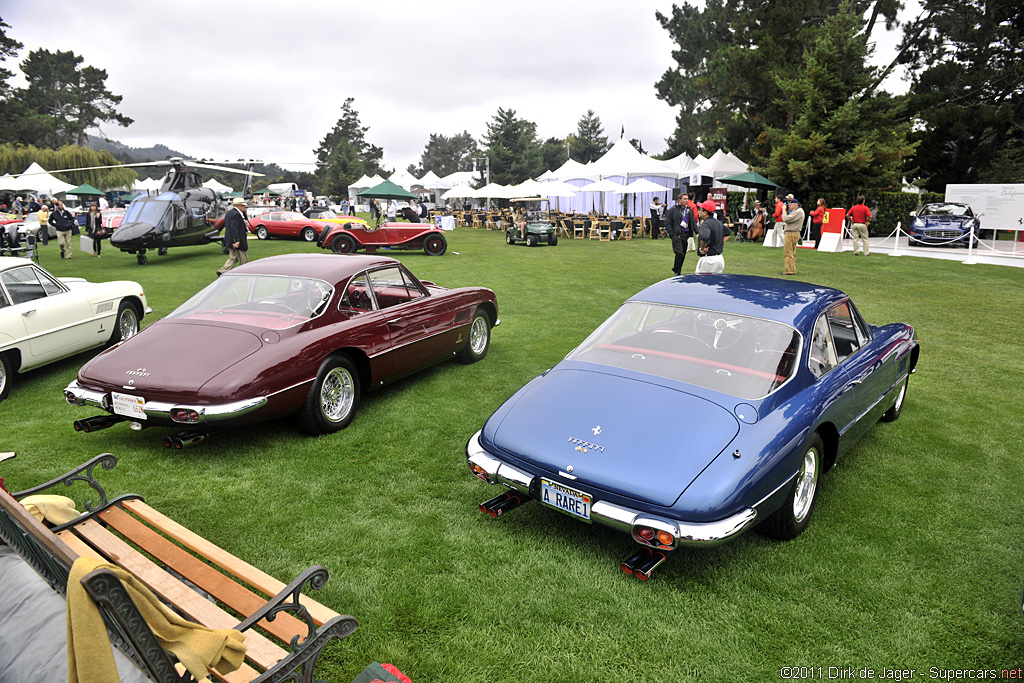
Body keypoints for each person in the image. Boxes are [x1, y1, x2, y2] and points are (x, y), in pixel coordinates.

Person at [665, 193, 697, 276]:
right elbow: (668, 223)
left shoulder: (688, 210)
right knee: (679, 253)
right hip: (676, 235)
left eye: (687, 199)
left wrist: (697, 232)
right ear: (679, 200)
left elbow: (693, 222)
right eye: (684, 199)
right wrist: (672, 234)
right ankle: (676, 270)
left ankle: (677, 270)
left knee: (683, 254)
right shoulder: (673, 210)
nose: (686, 201)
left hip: (685, 235)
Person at [217, 197, 249, 276]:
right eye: (243, 206)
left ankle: (223, 271)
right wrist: (237, 240)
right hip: (238, 239)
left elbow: (231, 226)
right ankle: (244, 273)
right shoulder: (236, 214)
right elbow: (234, 228)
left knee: (233, 257)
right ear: (239, 205)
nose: (244, 207)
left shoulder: (229, 213)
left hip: (230, 239)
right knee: (243, 259)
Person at [695, 199, 728, 274]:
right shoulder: (718, 222)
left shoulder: (705, 224)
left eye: (700, 209)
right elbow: (728, 233)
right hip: (719, 259)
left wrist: (702, 249)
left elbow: (705, 237)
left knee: (701, 283)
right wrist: (719, 243)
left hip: (709, 260)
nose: (698, 211)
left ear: (705, 213)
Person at [781, 197, 805, 275]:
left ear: (795, 205)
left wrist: (784, 211)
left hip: (791, 233)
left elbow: (786, 219)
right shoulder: (797, 211)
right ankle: (792, 268)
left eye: (790, 204)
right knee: (791, 252)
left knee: (788, 252)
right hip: (793, 233)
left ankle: (789, 270)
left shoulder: (798, 212)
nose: (789, 206)